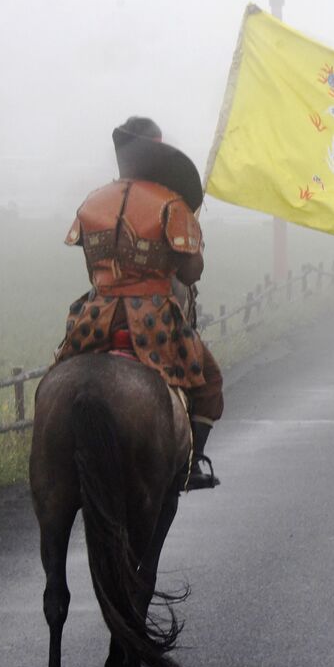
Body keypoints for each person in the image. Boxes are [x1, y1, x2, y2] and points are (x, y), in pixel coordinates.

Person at [55, 117, 223, 490]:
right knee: (209, 381)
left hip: (94, 317)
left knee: (57, 376)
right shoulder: (171, 204)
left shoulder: (93, 201)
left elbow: (89, 263)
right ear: (157, 150)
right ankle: (192, 466)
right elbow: (192, 274)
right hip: (153, 319)